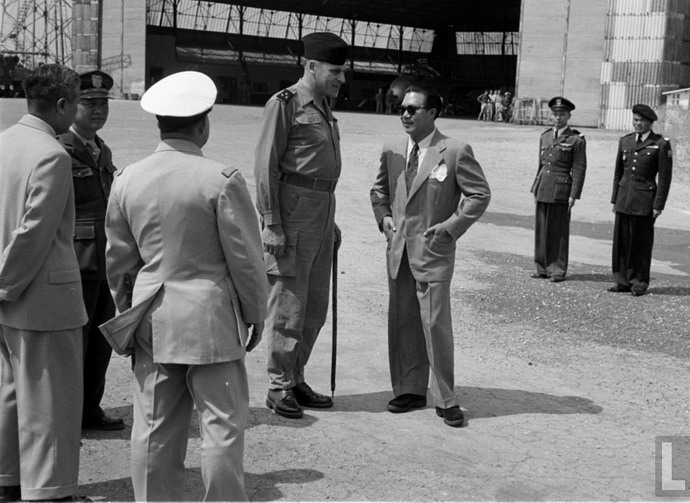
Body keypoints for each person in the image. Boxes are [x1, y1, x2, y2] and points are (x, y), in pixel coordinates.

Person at [100, 71, 268, 500]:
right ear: (202, 124)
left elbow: (119, 263)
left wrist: (129, 314)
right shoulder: (220, 179)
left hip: (152, 318)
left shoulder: (127, 179)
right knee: (221, 429)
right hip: (211, 321)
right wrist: (255, 314)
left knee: (153, 430)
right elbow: (246, 261)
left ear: (160, 124)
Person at [369, 83, 491, 428]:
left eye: (413, 109)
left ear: (433, 113)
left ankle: (445, 398)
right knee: (403, 322)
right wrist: (384, 217)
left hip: (433, 251)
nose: (405, 114)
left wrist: (451, 227)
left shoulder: (454, 150)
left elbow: (479, 194)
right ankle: (409, 389)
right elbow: (379, 191)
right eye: (402, 108)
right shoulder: (393, 149)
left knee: (434, 325)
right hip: (399, 250)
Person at [0, 64, 87, 501]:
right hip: (39, 294)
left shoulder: (4, 141)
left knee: (11, 392)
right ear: (61, 104)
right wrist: (4, 285)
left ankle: (8, 480)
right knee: (52, 400)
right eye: (77, 103)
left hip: (10, 296)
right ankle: (50, 492)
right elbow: (34, 232)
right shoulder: (52, 154)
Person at [254, 32, 347, 419]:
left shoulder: (324, 107)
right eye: (335, 71)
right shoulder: (285, 104)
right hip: (292, 212)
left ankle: (295, 376)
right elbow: (266, 166)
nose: (342, 79)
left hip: (321, 209)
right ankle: (278, 385)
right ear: (311, 66)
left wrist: (330, 220)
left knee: (314, 306)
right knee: (288, 304)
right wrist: (272, 222)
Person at [58, 70, 125, 431]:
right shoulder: (60, 148)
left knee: (101, 342)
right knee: (74, 344)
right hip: (75, 260)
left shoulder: (101, 148)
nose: (99, 110)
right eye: (90, 103)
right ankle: (67, 415)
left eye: (103, 104)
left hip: (105, 260)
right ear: (73, 106)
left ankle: (89, 409)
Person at [609, 104, 672, 296]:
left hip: (644, 200)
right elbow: (618, 172)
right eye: (635, 120)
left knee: (640, 244)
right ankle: (621, 280)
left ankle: (638, 282)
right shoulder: (625, 141)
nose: (638, 124)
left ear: (650, 123)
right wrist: (615, 199)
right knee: (621, 242)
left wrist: (658, 205)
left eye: (642, 121)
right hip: (624, 198)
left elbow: (665, 178)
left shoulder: (660, 144)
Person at [530, 97, 587, 282]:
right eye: (555, 114)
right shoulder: (545, 136)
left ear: (569, 116)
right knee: (541, 230)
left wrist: (574, 195)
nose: (557, 118)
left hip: (561, 190)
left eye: (562, 114)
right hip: (543, 186)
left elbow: (579, 169)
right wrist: (535, 187)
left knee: (558, 232)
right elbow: (541, 164)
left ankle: (556, 269)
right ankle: (542, 267)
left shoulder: (576, 140)